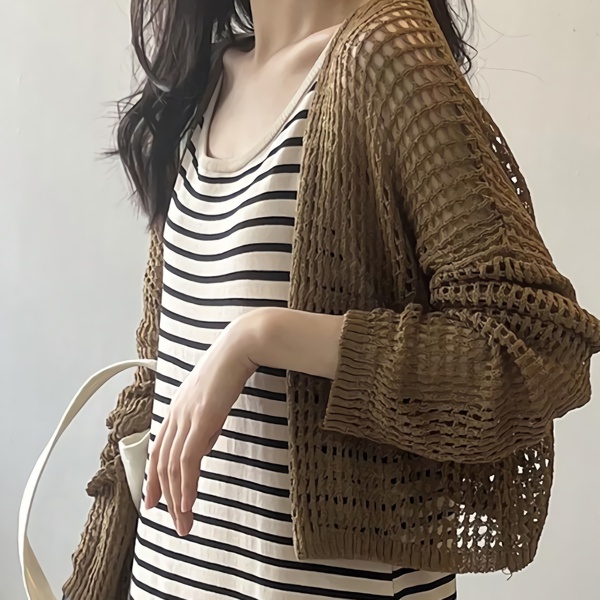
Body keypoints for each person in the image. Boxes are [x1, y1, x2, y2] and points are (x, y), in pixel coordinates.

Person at [62, 1, 600, 599]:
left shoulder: (386, 57)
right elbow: (158, 380)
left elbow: (529, 350)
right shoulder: (204, 84)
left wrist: (262, 337)